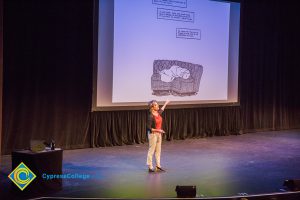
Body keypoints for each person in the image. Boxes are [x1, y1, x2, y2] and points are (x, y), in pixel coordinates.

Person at [146, 99, 170, 172]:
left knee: (158, 151)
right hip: (153, 134)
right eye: (156, 105)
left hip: (159, 134)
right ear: (152, 107)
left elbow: (162, 110)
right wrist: (158, 130)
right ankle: (150, 166)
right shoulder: (150, 116)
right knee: (151, 150)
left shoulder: (157, 113)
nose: (158, 105)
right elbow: (148, 128)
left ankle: (158, 166)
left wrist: (166, 103)